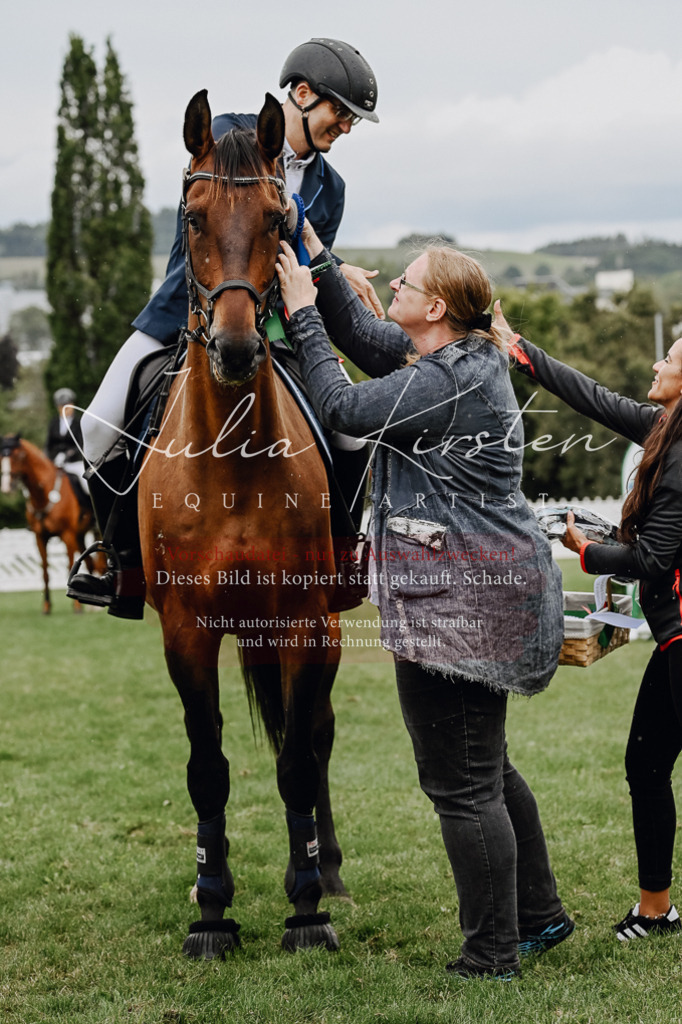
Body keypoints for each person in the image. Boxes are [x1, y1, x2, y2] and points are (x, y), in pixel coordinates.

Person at [274, 231, 573, 978]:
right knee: (487, 769)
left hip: (463, 604)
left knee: (462, 784)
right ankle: (538, 918)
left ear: (435, 306)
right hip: (476, 593)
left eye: (404, 283)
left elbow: (340, 404)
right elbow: (364, 334)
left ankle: (491, 955)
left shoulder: (447, 380)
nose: (393, 289)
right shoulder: (448, 361)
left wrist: (302, 311)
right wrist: (310, 249)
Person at [71, 38, 380, 617]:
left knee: (354, 432)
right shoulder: (229, 136)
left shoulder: (331, 188)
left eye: (352, 121)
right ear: (303, 93)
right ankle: (121, 566)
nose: (345, 127)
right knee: (94, 430)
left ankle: (340, 557)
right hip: (181, 312)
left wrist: (336, 270)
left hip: (281, 325)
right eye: (341, 113)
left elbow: (305, 260)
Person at [495, 307, 682, 943]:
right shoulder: (664, 427)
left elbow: (654, 559)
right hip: (674, 639)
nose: (657, 364)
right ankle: (655, 912)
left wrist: (586, 550)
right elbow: (594, 398)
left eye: (670, 358)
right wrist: (522, 351)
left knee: (649, 765)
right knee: (646, 765)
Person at [46, 388, 88, 505]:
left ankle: (90, 510)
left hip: (74, 461)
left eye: (67, 405)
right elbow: (49, 444)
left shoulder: (78, 422)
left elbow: (81, 443)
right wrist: (51, 457)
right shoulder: (54, 422)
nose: (65, 409)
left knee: (86, 484)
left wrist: (68, 454)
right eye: (61, 406)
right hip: (57, 462)